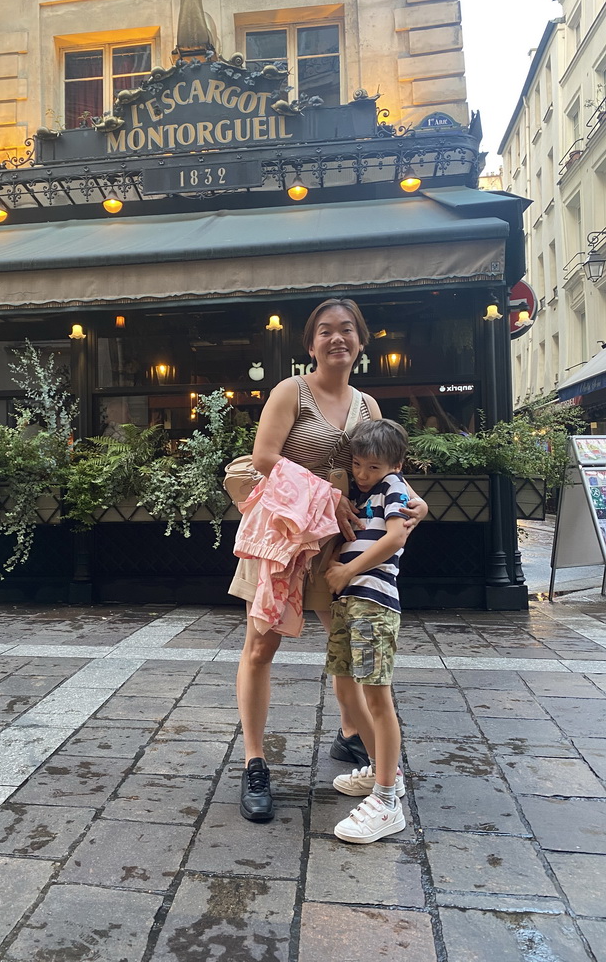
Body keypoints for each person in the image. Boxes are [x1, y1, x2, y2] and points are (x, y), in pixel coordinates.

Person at [229, 298, 427, 822]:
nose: (336, 339)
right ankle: (254, 762)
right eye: (324, 332)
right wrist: (328, 495)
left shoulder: (368, 407)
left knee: (345, 646)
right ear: (310, 343)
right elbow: (263, 458)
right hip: (285, 539)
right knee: (260, 647)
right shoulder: (290, 391)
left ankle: (352, 737)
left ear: (361, 340)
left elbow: (386, 475)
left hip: (341, 549)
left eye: (346, 331)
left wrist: (413, 502)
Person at [324, 418, 411, 844]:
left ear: (395, 464)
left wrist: (346, 571)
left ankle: (387, 799)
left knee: (378, 697)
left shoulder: (394, 488)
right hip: (350, 603)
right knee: (345, 691)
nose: (361, 474)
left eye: (372, 467)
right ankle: (382, 771)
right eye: (357, 464)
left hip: (373, 603)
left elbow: (395, 537)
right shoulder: (373, 491)